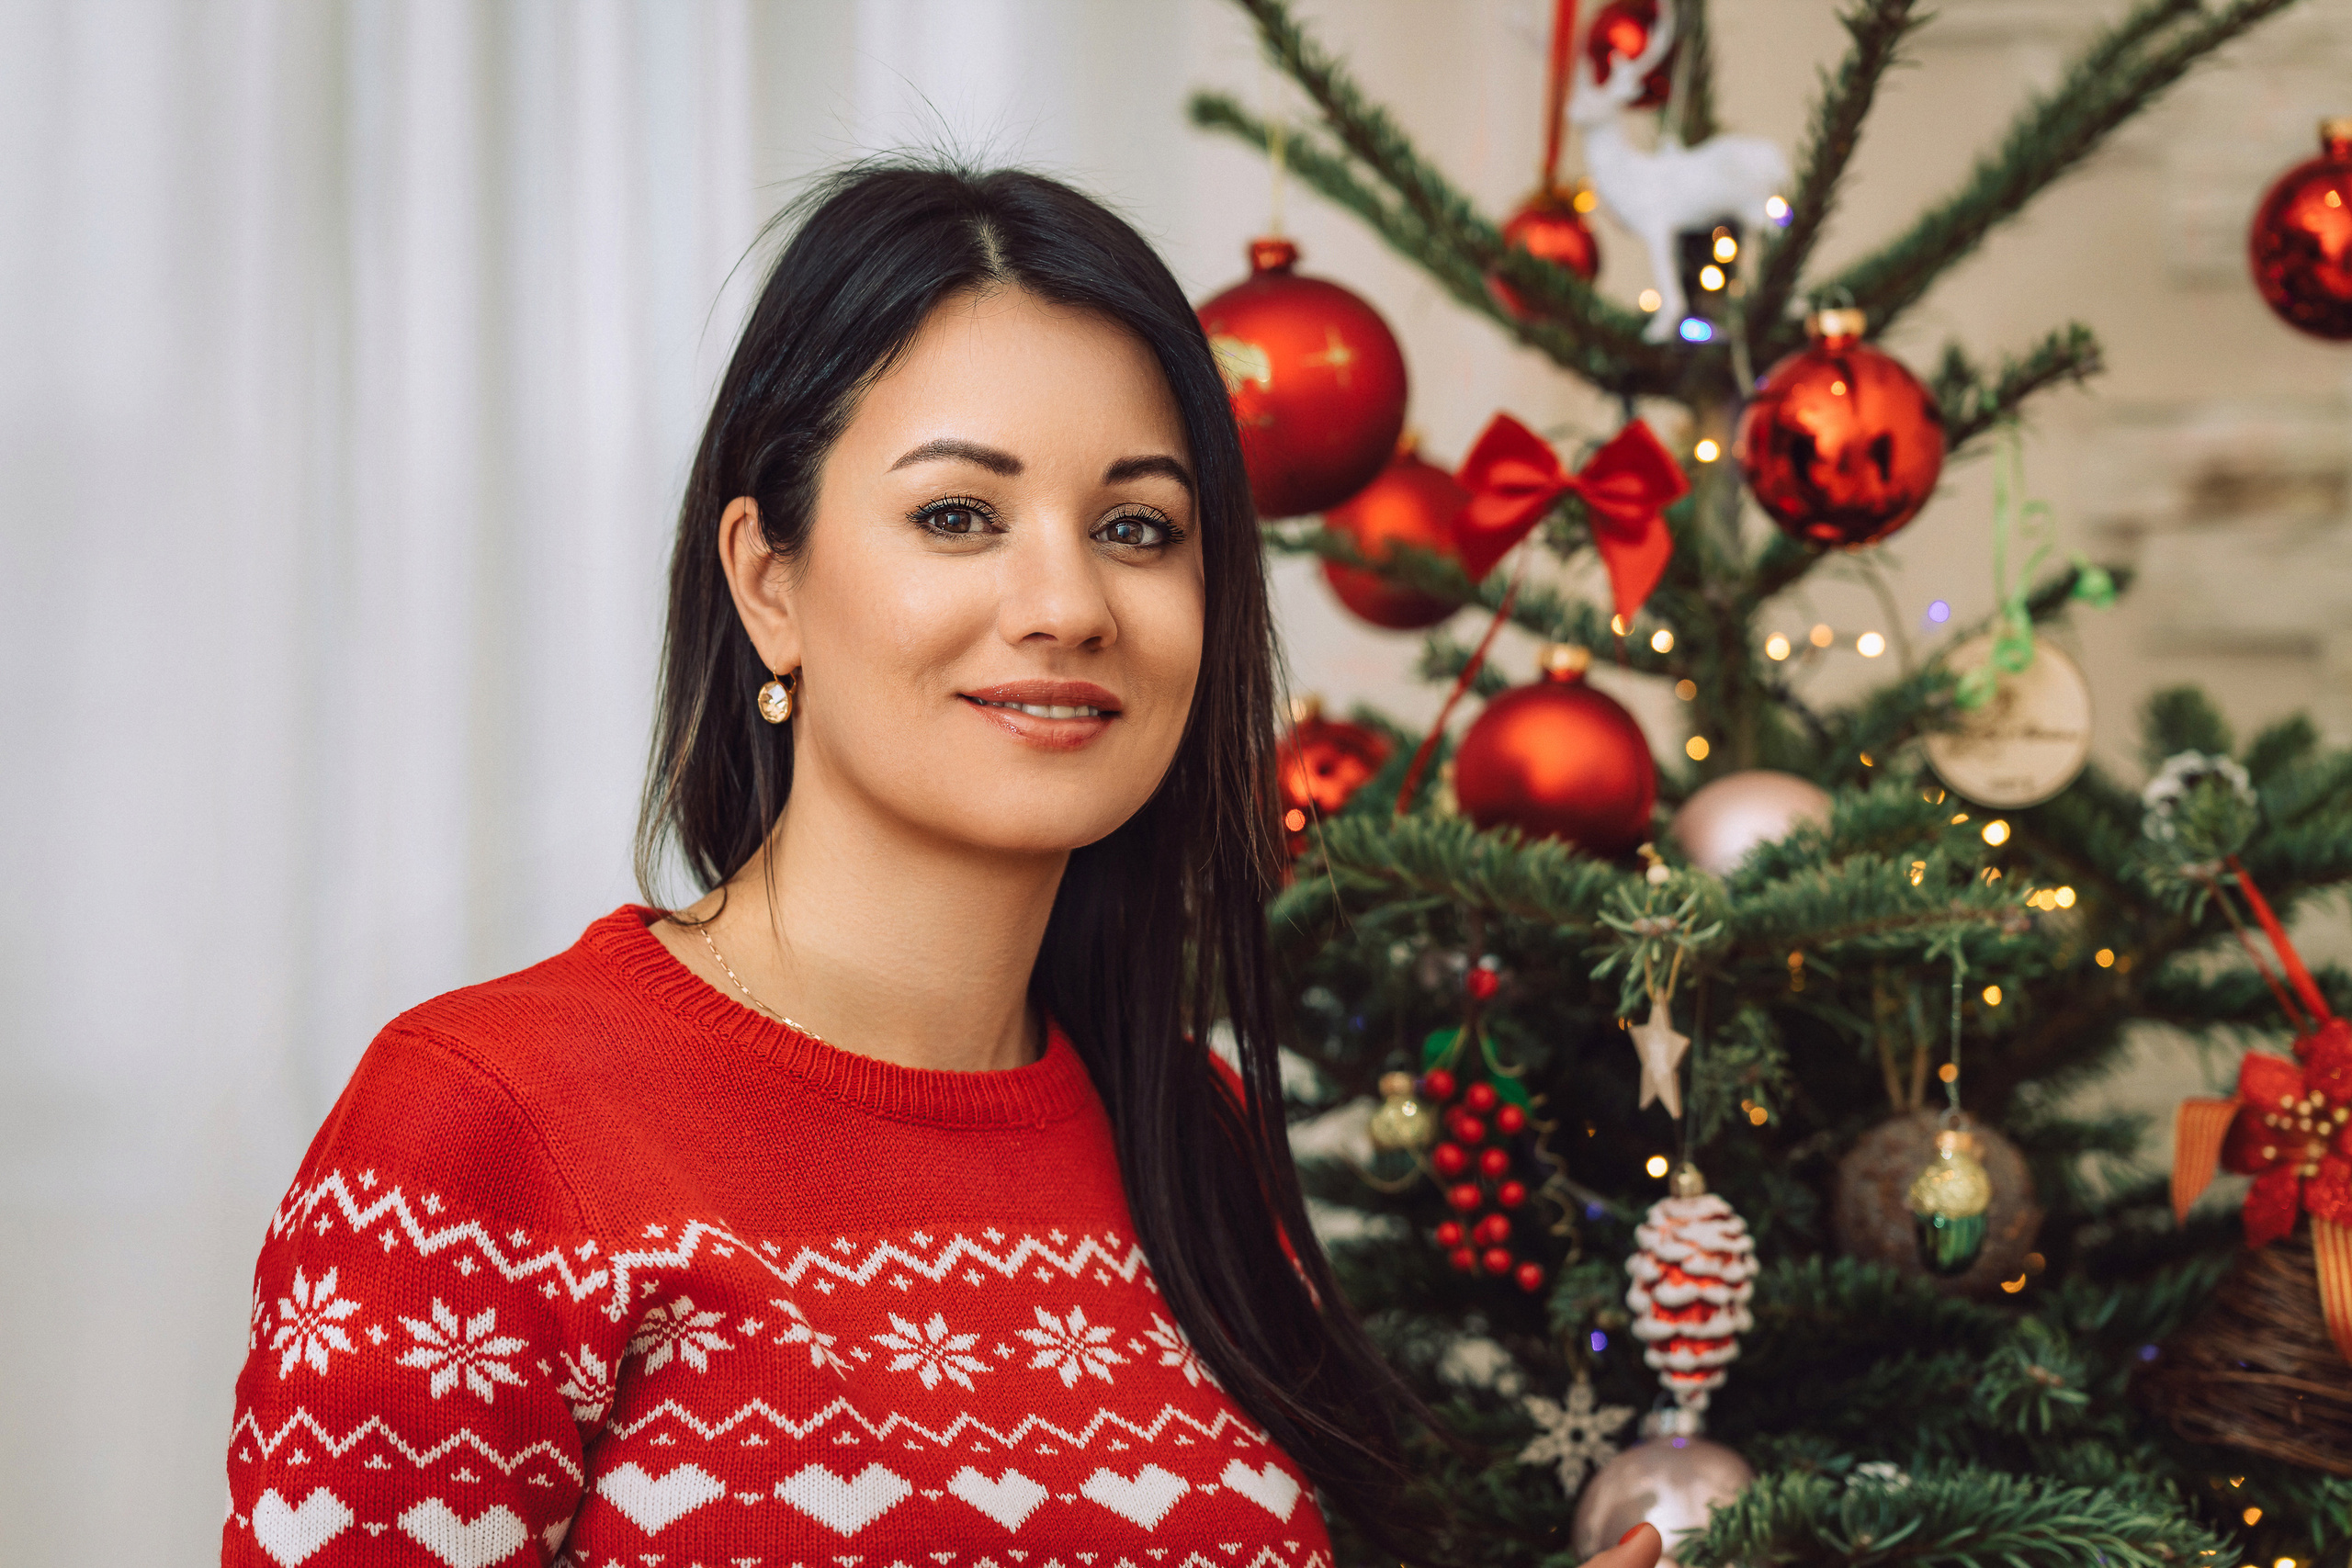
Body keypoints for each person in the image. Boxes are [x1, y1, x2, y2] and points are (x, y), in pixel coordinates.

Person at [220, 161, 1665, 1568]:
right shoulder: (484, 1133)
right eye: (959, 516)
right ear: (768, 581)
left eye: (1138, 528)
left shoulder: (1197, 1141)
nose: (1069, 604)